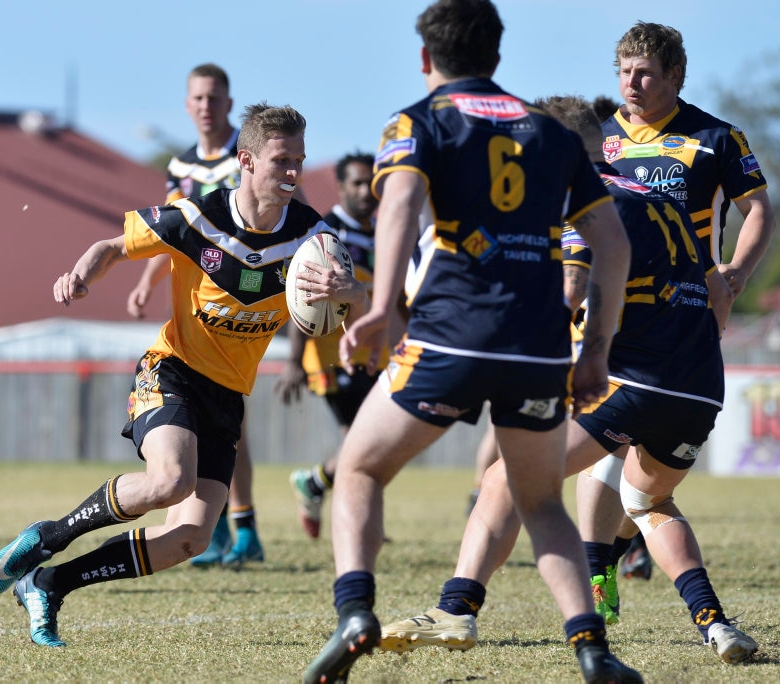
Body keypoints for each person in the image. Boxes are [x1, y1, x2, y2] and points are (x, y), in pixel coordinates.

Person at [302, 3, 640, 683]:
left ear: (426, 58)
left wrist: (389, 308)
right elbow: (613, 243)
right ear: (497, 56)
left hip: (451, 336)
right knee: (540, 501)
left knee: (361, 468)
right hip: (539, 347)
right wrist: (597, 346)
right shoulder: (551, 133)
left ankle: (355, 612)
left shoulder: (417, 121)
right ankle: (592, 651)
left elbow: (396, 207)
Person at [378, 94, 758, 666]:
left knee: (503, 480)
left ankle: (456, 610)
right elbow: (719, 290)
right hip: (698, 387)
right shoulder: (663, 201)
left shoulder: (585, 206)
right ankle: (715, 625)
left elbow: (571, 291)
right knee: (648, 501)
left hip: (631, 380)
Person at [0, 103, 368, 648]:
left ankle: (48, 583)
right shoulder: (198, 217)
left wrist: (346, 293)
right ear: (246, 161)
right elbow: (112, 247)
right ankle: (49, 538)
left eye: (299, 161)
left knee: (188, 539)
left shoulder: (312, 240)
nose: (292, 173)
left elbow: (360, 293)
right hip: (173, 370)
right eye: (281, 161)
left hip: (229, 395)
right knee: (171, 481)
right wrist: (80, 275)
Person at [583, 20, 775, 585]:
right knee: (607, 445)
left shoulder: (716, 138)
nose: (633, 84)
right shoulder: (597, 138)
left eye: (645, 73)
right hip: (612, 309)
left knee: (645, 458)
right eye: (625, 72)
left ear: (676, 75)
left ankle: (614, 551)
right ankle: (604, 566)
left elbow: (759, 209)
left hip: (688, 309)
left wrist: (736, 272)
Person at [126, 63, 264, 568]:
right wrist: (145, 282)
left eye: (214, 97)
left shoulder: (249, 156)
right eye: (198, 98)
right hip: (196, 308)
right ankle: (225, 530)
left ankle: (242, 526)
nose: (206, 105)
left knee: (230, 422)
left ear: (229, 103)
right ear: (188, 105)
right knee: (209, 423)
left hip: (248, 303)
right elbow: (172, 234)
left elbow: (294, 214)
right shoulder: (181, 167)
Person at [275, 151, 379, 539]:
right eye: (356, 182)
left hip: (373, 352)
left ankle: (323, 490)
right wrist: (295, 362)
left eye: (372, 182)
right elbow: (306, 299)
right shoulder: (326, 235)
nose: (366, 191)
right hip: (334, 357)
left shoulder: (384, 231)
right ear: (340, 187)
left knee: (370, 441)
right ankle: (333, 498)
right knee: (365, 439)